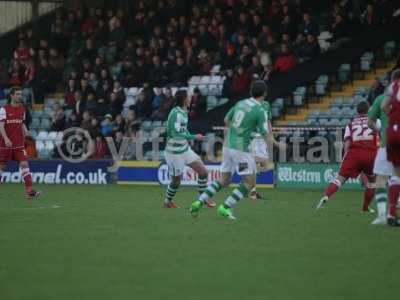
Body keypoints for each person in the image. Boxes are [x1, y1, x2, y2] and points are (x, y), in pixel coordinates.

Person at [190, 81, 277, 220]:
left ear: (251, 92)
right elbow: (266, 134)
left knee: (224, 180)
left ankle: (198, 202)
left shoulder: (241, 103)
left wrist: (237, 131)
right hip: (241, 150)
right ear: (265, 93)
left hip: (227, 146)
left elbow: (226, 119)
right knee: (250, 182)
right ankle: (226, 207)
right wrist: (277, 145)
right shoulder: (260, 110)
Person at [317, 101, 378, 212]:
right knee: (372, 181)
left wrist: (347, 158)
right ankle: (365, 207)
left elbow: (347, 144)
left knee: (340, 178)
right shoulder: (375, 121)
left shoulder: (350, 124)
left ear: (357, 111)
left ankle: (326, 196)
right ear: (368, 110)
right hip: (371, 153)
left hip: (353, 154)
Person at [164, 90, 215, 209]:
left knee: (203, 172)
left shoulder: (184, 112)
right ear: (184, 99)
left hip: (185, 149)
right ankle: (167, 201)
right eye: (188, 96)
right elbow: (174, 133)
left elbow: (183, 130)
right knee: (176, 182)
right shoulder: (176, 113)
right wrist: (193, 137)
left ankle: (203, 197)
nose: (190, 98)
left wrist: (194, 135)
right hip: (174, 153)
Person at [0, 87, 41, 199]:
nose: (20, 96)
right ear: (12, 96)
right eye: (17, 94)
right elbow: (1, 126)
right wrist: (6, 138)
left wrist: (26, 131)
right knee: (2, 169)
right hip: (5, 146)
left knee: (24, 165)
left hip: (19, 145)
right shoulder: (4, 109)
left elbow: (21, 123)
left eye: (20, 94)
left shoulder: (22, 109)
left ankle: (29, 191)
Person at [368, 89, 393, 225]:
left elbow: (370, 123)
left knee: (381, 177)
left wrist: (380, 130)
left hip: (387, 141)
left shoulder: (380, 99)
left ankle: (382, 215)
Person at [381, 69, 400, 226]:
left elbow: (383, 106)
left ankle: (391, 213)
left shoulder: (391, 87)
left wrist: (393, 117)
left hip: (391, 132)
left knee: (396, 173)